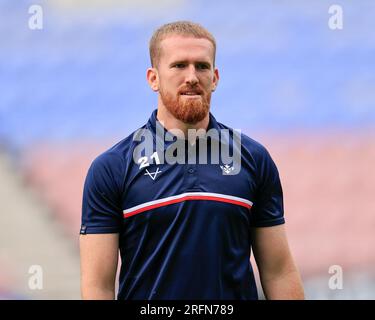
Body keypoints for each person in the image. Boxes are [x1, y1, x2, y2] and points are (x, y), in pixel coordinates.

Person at [80, 20, 304, 300]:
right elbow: (97, 287)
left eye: (202, 66)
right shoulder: (111, 168)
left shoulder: (254, 159)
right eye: (178, 65)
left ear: (216, 77)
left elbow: (278, 272)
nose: (192, 77)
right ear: (153, 78)